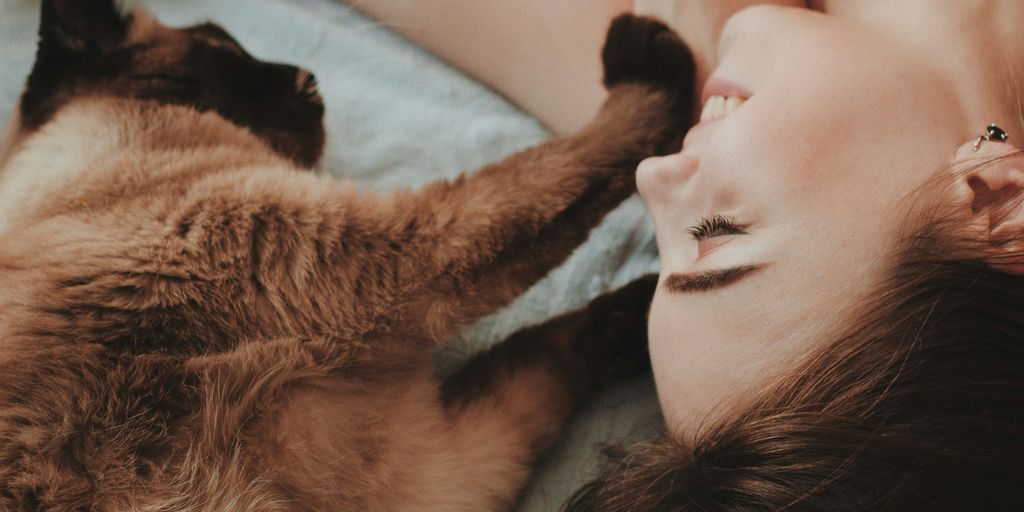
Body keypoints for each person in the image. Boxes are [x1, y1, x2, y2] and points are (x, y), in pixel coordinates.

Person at [354, 1, 1024, 509]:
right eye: (716, 230)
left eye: (662, 252)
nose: (651, 175)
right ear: (993, 202)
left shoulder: (674, 69)